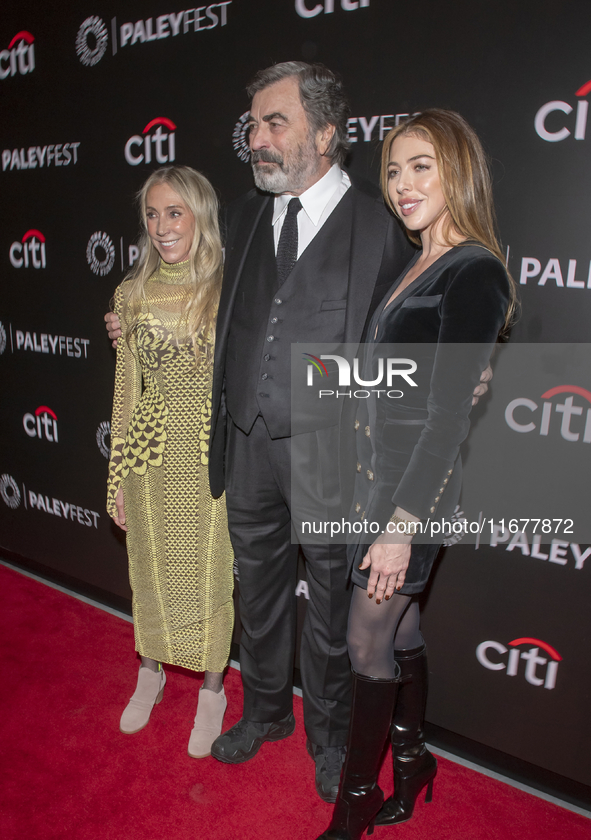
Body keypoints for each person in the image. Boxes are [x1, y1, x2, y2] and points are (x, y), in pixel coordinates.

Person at [104, 65, 490, 801]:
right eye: (252, 124)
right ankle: (268, 713)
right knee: (259, 593)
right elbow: (190, 298)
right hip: (244, 443)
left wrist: (459, 375)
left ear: (323, 132)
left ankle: (329, 734)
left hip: (329, 452)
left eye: (273, 122)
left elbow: (415, 339)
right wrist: (133, 321)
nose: (256, 138)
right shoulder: (248, 216)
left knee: (329, 611)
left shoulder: (381, 230)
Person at [303, 109, 515, 840]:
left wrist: (399, 526)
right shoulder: (417, 261)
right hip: (375, 481)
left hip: (410, 496)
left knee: (366, 643)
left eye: (420, 166)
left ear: (456, 170)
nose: (401, 184)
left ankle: (355, 803)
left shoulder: (475, 269)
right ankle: (412, 760)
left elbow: (445, 419)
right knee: (405, 630)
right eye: (392, 169)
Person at [106, 165, 234, 758]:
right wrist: (117, 481)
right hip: (148, 452)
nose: (162, 226)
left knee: (209, 577)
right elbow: (125, 387)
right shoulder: (130, 294)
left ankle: (213, 690)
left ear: (199, 215)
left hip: (210, 455)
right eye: (152, 215)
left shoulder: (228, 286)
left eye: (174, 212)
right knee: (150, 570)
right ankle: (150, 671)